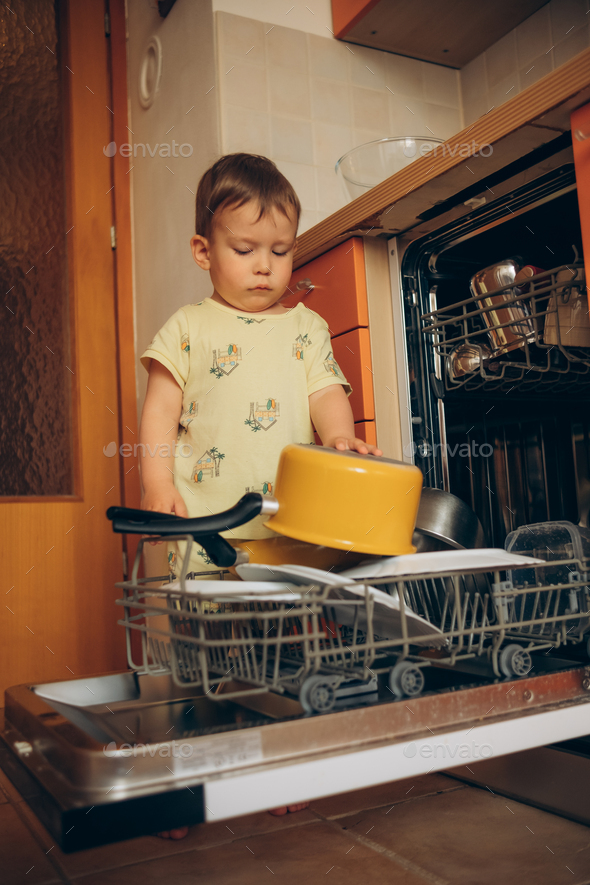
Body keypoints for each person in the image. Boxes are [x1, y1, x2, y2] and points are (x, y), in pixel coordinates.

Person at [139, 153, 382, 838]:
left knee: (286, 653)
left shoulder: (304, 328)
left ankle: (279, 766)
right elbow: (158, 413)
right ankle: (188, 779)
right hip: (207, 534)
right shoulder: (186, 328)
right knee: (197, 662)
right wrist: (157, 482)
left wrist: (340, 438)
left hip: (285, 537)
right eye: (244, 249)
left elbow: (327, 393)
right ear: (203, 251)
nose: (264, 266)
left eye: (279, 250)